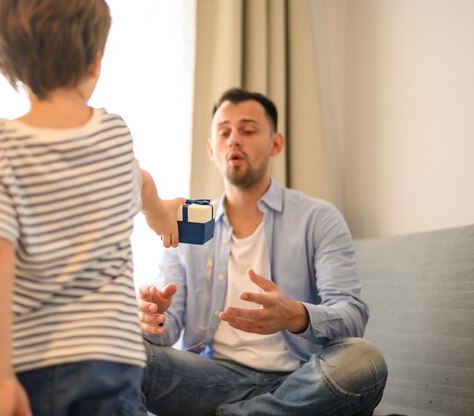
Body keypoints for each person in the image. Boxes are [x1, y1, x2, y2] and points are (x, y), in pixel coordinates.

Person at [0, 1, 183, 415]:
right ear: (96, 61)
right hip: (104, 366)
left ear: (7, 63)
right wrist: (162, 214)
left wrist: (2, 379)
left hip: (18, 365)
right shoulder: (115, 137)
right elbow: (143, 183)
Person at [138, 88, 388, 416]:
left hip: (300, 380)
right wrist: (151, 319)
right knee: (120, 348)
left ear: (276, 143)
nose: (234, 140)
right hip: (209, 380)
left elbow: (353, 316)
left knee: (363, 360)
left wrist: (298, 316)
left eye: (249, 130)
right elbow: (167, 330)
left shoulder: (318, 218)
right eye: (224, 132)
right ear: (211, 149)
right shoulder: (185, 223)